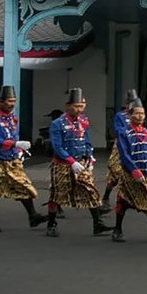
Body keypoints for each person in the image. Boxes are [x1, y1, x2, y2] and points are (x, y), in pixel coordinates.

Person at [45, 88, 113, 238]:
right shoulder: (58, 123)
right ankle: (51, 224)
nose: (79, 109)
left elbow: (87, 141)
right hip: (62, 164)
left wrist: (89, 156)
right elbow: (57, 147)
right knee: (57, 194)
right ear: (67, 106)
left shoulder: (83, 121)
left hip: (81, 162)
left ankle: (98, 224)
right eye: (76, 106)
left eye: (82, 106)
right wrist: (70, 161)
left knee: (90, 190)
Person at [0, 85, 47, 232]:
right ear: (1, 101)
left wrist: (18, 150)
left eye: (14, 101)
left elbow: (13, 135)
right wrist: (14, 143)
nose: (12, 104)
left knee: (22, 184)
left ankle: (33, 216)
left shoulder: (12, 117)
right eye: (9, 101)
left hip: (11, 158)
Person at [110, 99, 147, 243]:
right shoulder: (124, 133)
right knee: (131, 200)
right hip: (130, 173)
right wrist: (134, 170)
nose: (140, 116)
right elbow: (124, 155)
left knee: (146, 199)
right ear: (130, 115)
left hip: (145, 173)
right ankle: (118, 229)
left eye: (142, 113)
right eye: (137, 113)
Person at [100, 89, 138, 214]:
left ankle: (131, 199)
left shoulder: (139, 114)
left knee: (135, 172)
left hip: (135, 145)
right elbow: (117, 130)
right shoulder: (120, 116)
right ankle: (106, 196)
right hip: (121, 145)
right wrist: (129, 130)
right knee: (116, 172)